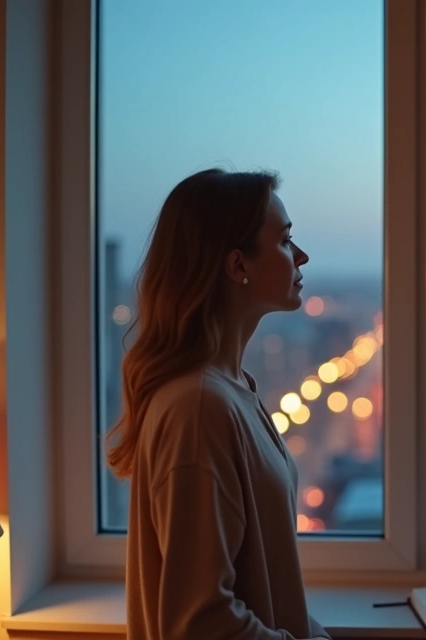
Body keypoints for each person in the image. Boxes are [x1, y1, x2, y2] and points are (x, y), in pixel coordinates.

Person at [105, 168, 329, 640]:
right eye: (286, 241)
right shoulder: (200, 407)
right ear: (237, 266)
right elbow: (200, 621)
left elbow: (269, 585)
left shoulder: (232, 390)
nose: (302, 255)